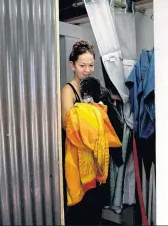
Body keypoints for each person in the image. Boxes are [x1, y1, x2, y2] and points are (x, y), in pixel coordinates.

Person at [61, 40, 108, 225]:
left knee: (95, 209)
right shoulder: (68, 90)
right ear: (72, 65)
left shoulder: (94, 89)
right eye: (82, 65)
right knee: (79, 208)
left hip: (95, 158)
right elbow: (67, 124)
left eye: (91, 65)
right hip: (77, 158)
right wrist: (92, 115)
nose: (87, 70)